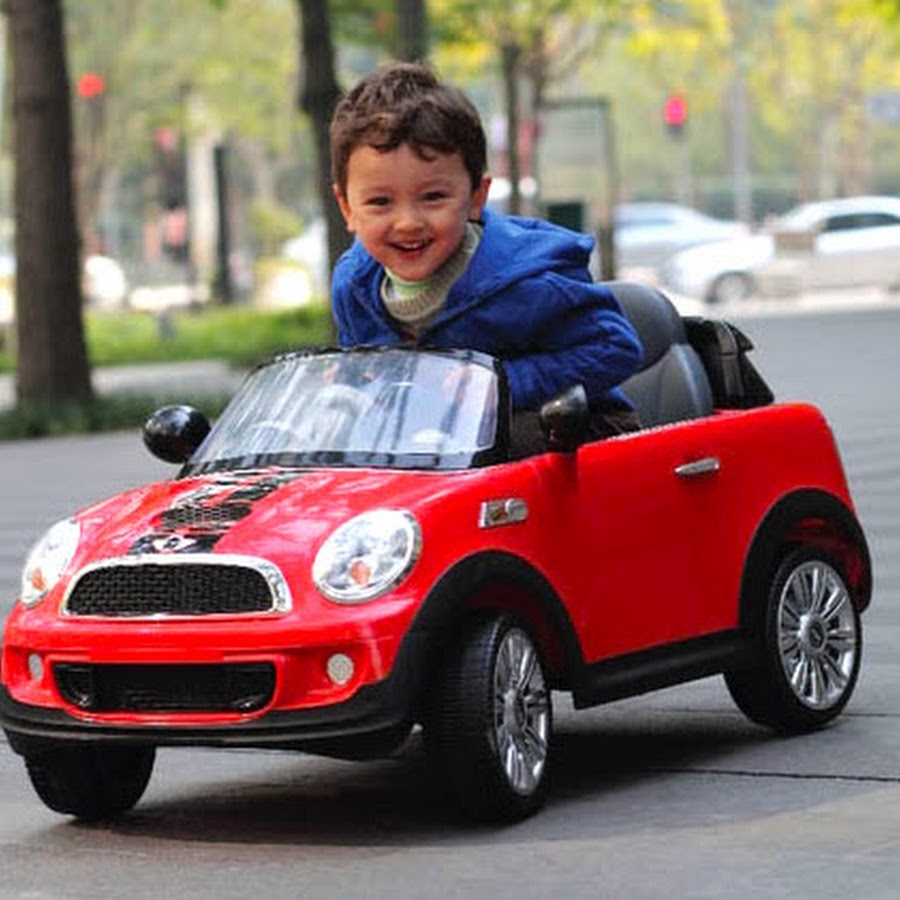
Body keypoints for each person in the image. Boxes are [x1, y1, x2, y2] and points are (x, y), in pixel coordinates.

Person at [328, 61, 643, 456]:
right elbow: (372, 377)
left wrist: (502, 384)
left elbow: (616, 348)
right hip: (434, 445)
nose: (407, 222)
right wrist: (352, 382)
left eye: (433, 197)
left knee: (485, 443)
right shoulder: (354, 287)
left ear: (477, 196)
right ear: (347, 207)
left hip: (575, 432)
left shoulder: (528, 283)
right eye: (380, 202)